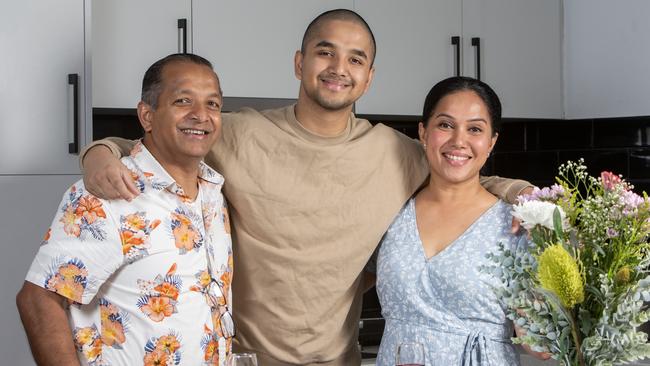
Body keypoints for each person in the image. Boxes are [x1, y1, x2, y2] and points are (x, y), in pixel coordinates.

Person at [79, 9, 532, 366]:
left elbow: (458, 167)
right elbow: (164, 141)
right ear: (300, 62)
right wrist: (100, 150)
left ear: (369, 76)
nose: (339, 68)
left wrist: (524, 196)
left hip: (340, 359)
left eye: (356, 58)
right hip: (245, 357)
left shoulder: (393, 152)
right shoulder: (240, 134)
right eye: (325, 52)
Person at [16, 54, 234, 365]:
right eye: (183, 101)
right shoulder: (108, 194)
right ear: (147, 116)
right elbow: (38, 299)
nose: (201, 115)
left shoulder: (213, 192)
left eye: (212, 104)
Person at [371, 77, 548, 365]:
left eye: (474, 129)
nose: (458, 141)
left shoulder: (517, 225)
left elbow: (539, 344)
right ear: (423, 132)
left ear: (491, 143)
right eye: (445, 125)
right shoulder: (390, 212)